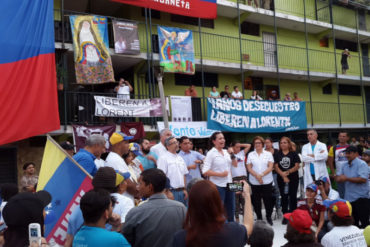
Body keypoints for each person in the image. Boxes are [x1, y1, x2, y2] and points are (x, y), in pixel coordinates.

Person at [173, 180, 253, 247]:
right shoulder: (233, 231)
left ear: (191, 205)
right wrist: (247, 195)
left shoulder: (180, 238)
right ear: (217, 202)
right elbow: (249, 226)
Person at [122, 169, 186, 247]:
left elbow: (126, 241)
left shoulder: (136, 212)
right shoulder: (181, 208)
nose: (138, 187)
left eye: (140, 184)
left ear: (150, 187)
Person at [65, 167, 128, 246]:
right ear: (106, 213)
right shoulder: (120, 205)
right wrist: (117, 226)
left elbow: (68, 244)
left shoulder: (80, 207)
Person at [202, 132, 237, 222]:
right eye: (220, 138)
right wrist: (220, 174)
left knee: (231, 208)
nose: (223, 140)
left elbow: (235, 165)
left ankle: (231, 228)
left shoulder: (226, 152)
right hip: (217, 186)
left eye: (223, 138)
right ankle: (221, 230)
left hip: (229, 184)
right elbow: (205, 171)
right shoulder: (211, 153)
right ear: (214, 141)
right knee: (219, 210)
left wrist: (232, 154)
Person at [336, 146, 370, 228]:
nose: (347, 155)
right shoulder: (344, 165)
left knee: (365, 224)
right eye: (346, 153)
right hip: (349, 199)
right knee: (353, 224)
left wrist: (346, 178)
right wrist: (338, 178)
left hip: (361, 198)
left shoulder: (362, 164)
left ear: (356, 154)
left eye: (349, 153)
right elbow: (338, 177)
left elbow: (363, 179)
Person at [246, 136, 275, 225]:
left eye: (259, 143)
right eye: (255, 143)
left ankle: (268, 216)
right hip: (255, 182)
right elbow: (249, 168)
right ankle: (259, 217)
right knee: (256, 201)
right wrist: (257, 176)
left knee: (268, 200)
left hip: (267, 181)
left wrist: (261, 175)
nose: (257, 144)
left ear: (262, 144)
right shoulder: (250, 154)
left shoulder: (268, 154)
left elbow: (270, 167)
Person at [274, 137, 300, 224]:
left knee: (293, 197)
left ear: (289, 144)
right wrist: (283, 175)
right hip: (281, 179)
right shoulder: (278, 154)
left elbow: (297, 166)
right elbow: (276, 167)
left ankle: (293, 215)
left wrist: (287, 172)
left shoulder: (294, 154)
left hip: (293, 179)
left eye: (285, 143)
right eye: (281, 143)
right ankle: (285, 216)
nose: (283, 144)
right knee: (284, 197)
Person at [157, 136, 189, 205]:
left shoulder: (180, 158)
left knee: (184, 213)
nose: (177, 144)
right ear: (167, 146)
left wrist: (184, 189)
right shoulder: (163, 158)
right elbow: (161, 176)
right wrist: (167, 192)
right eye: (174, 143)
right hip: (171, 192)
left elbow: (183, 174)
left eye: (176, 142)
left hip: (182, 191)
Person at [229, 140, 251, 222]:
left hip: (243, 178)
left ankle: (246, 218)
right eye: (236, 147)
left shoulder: (242, 153)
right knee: (236, 200)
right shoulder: (229, 155)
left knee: (244, 198)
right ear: (232, 147)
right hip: (234, 179)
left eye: (239, 147)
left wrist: (239, 144)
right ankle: (237, 218)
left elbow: (249, 145)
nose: (238, 148)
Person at [327, 131, 349, 198]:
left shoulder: (351, 147)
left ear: (347, 138)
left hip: (350, 175)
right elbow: (330, 162)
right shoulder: (333, 148)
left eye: (344, 136)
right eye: (340, 136)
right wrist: (334, 174)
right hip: (339, 176)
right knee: (341, 194)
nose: (341, 138)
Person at [265, 137, 281, 218]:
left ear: (272, 143)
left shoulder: (277, 151)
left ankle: (278, 208)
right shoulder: (263, 152)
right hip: (266, 174)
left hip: (275, 173)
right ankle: (269, 209)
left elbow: (278, 162)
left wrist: (273, 168)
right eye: (265, 143)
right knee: (267, 192)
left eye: (268, 142)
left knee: (277, 191)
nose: (267, 144)